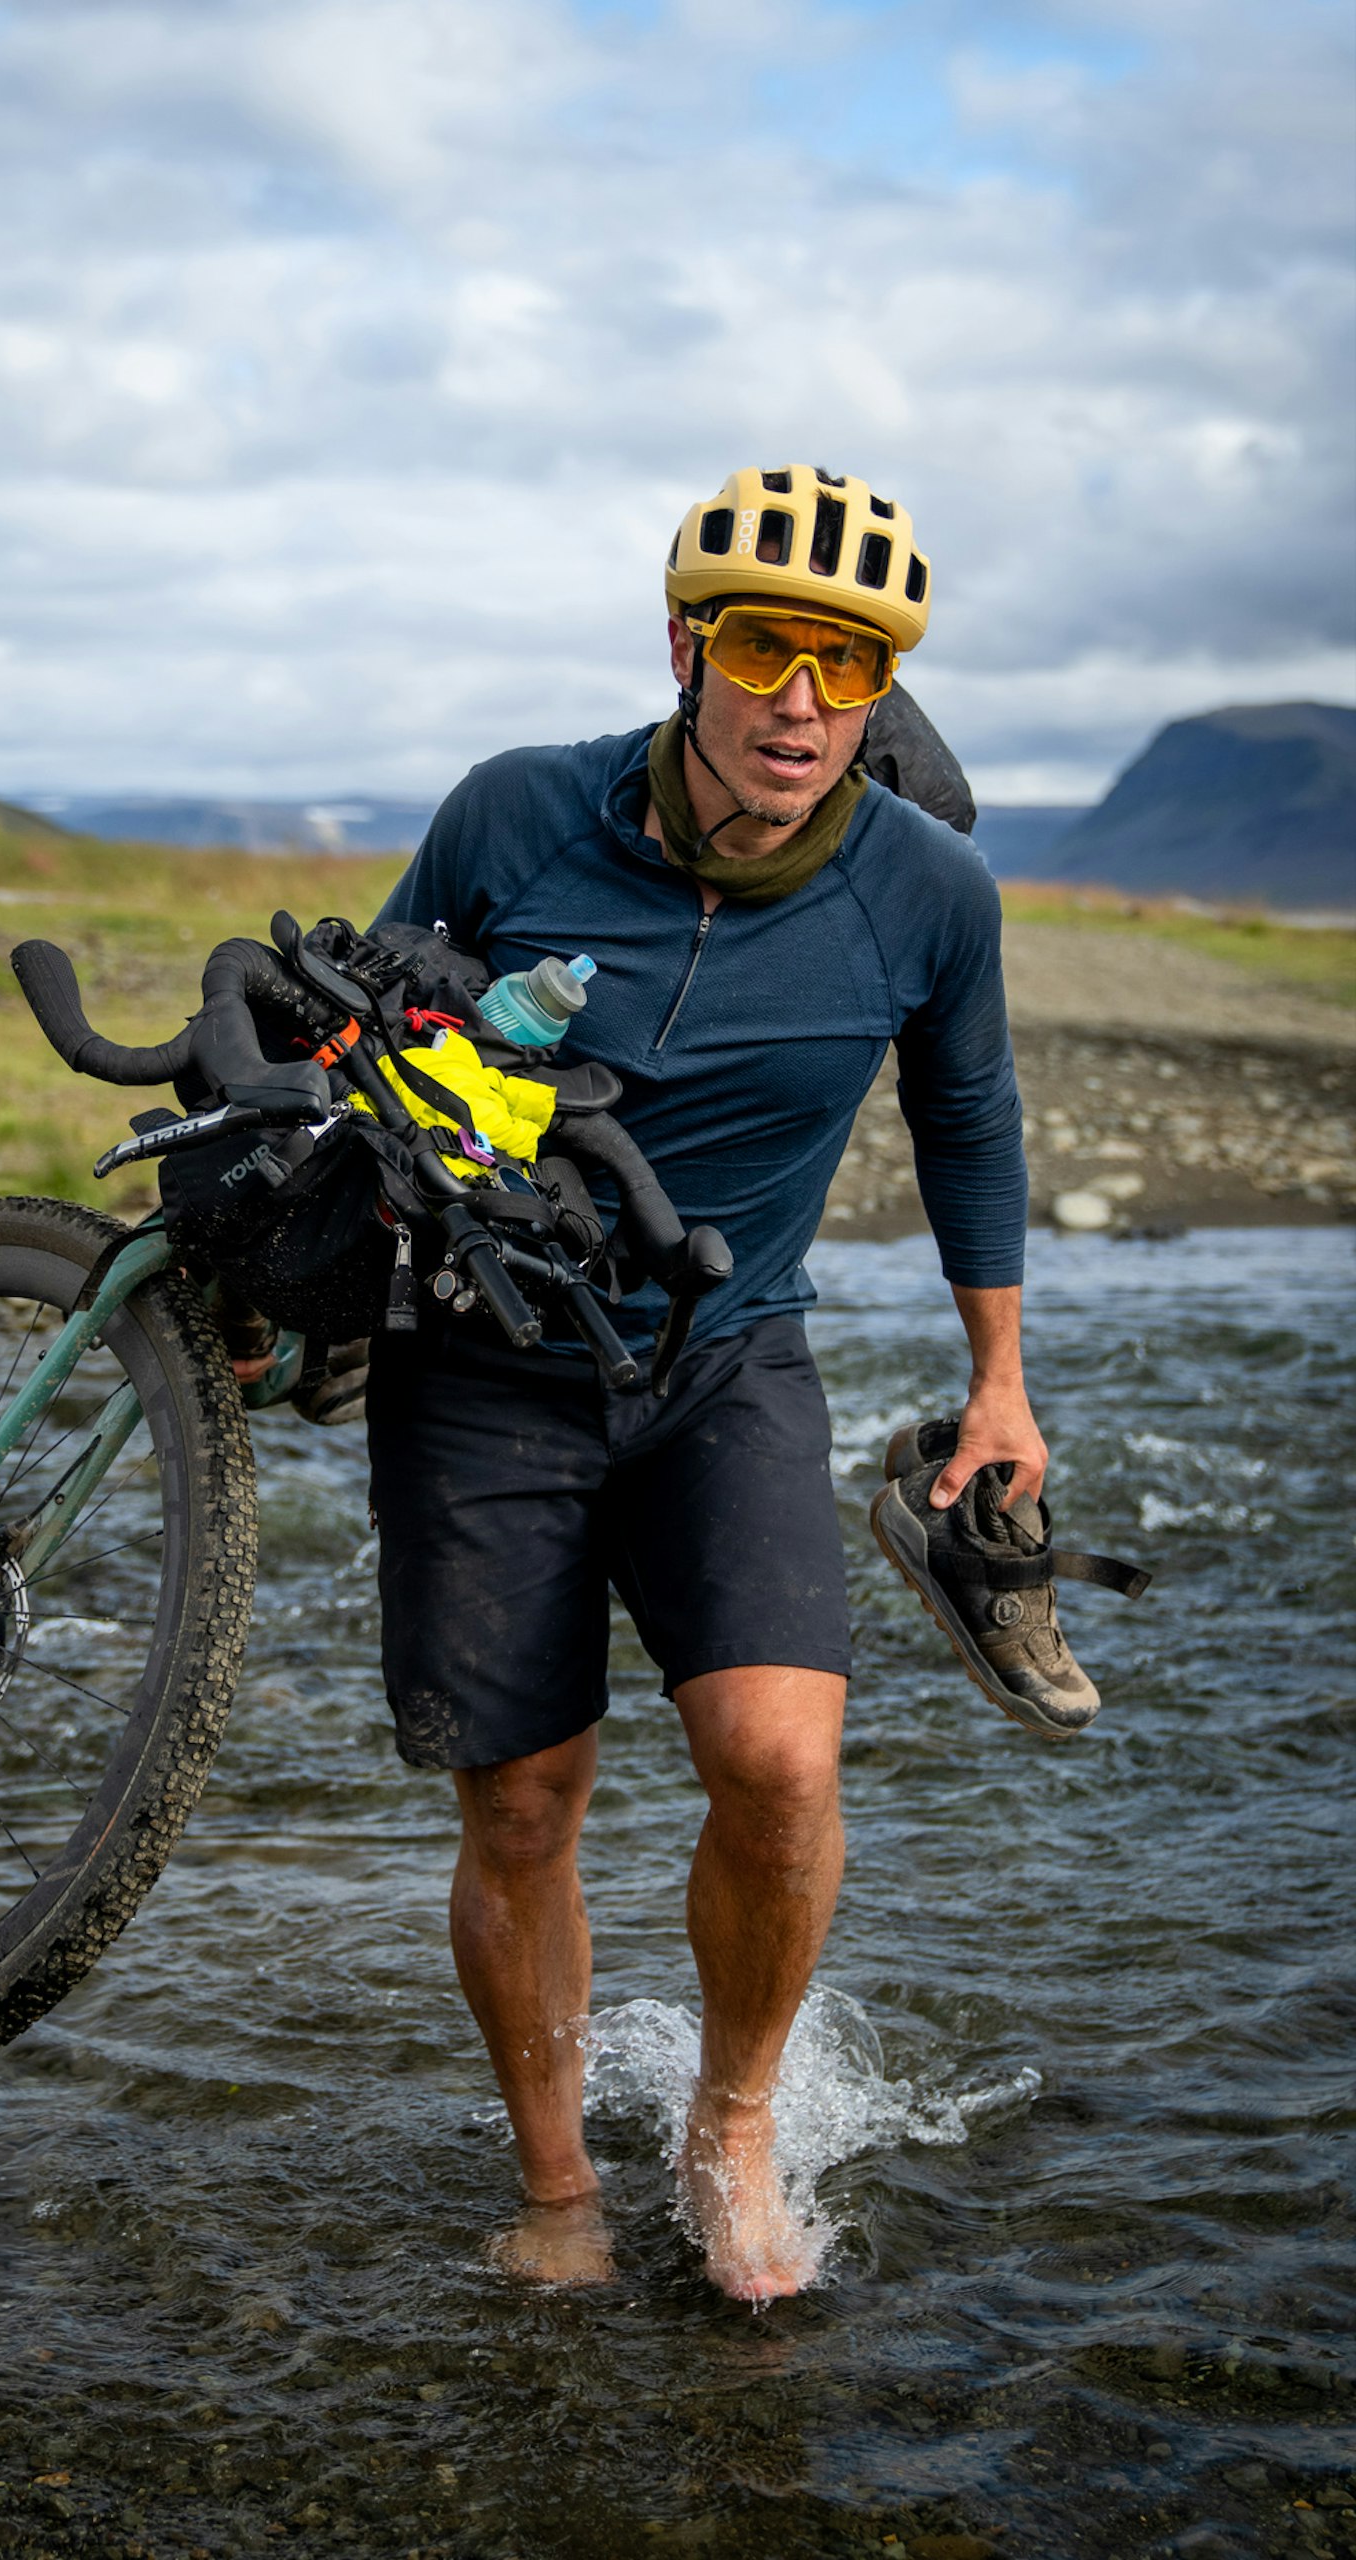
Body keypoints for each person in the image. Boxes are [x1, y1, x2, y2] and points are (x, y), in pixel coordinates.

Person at [360, 466, 1040, 2302]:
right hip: (481, 1357)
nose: (804, 701)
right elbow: (376, 1032)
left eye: (850, 662)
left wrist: (1001, 1387)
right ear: (687, 647)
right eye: (764, 649)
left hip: (726, 1353)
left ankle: (732, 2125)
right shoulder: (512, 813)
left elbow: (970, 1125)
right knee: (522, 1803)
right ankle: (561, 2185)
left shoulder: (932, 895)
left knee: (778, 1759)